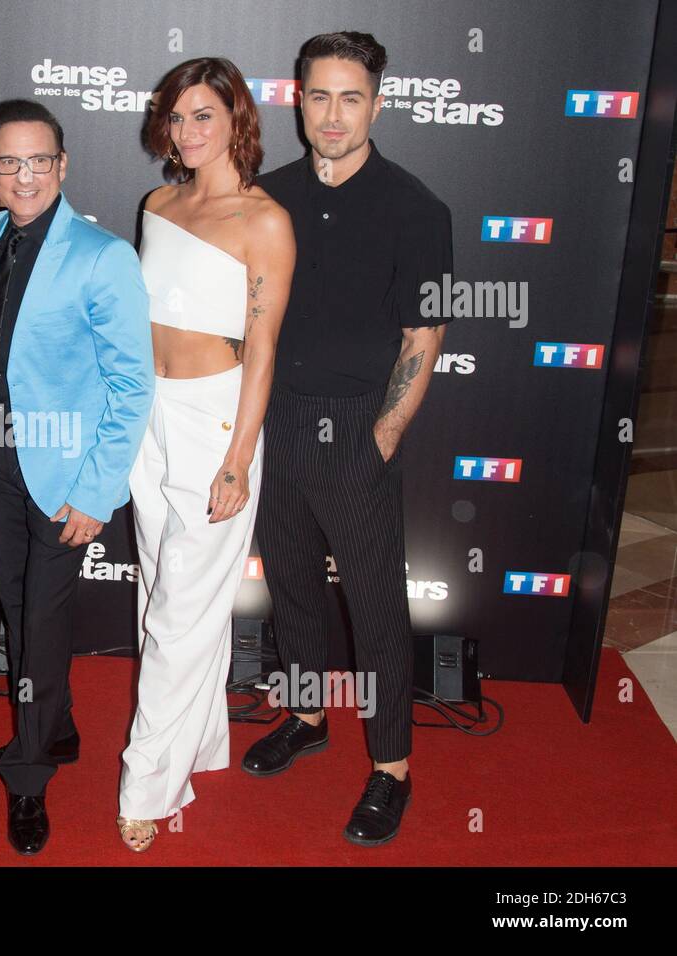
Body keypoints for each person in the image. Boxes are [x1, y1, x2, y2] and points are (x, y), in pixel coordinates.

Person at [247, 31, 454, 846]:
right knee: (292, 586)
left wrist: (383, 436)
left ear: (378, 102)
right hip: (277, 421)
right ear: (297, 97)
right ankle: (306, 715)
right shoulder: (266, 197)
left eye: (351, 97)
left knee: (374, 608)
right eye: (319, 96)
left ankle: (392, 768)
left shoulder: (416, 208)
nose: (333, 116)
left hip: (359, 428)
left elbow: (425, 333)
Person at [0, 99, 154, 855]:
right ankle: (59, 727)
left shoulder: (104, 256)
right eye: (8, 161)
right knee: (18, 607)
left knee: (39, 622)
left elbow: (132, 384)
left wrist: (97, 490)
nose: (23, 175)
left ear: (62, 167)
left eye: (39, 160)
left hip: (67, 472)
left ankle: (30, 776)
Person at [116, 58, 294, 852]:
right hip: (149, 417)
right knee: (163, 590)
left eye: (203, 116)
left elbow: (262, 351)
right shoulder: (157, 204)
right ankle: (206, 741)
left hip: (217, 422)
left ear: (235, 120)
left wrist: (239, 460)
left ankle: (146, 783)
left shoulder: (265, 221)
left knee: (181, 608)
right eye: (176, 117)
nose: (188, 132)